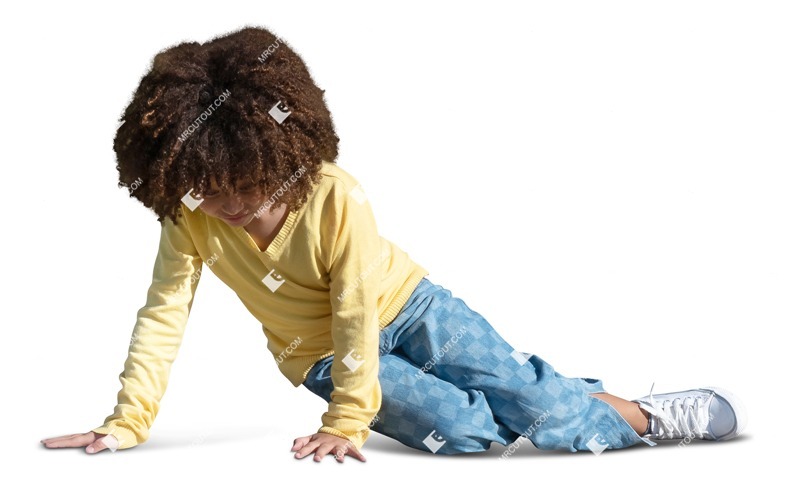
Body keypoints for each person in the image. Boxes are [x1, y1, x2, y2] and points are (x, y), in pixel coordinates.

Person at [40, 26, 746, 462]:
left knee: (548, 416)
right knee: (471, 437)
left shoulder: (333, 195)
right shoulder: (190, 215)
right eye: (205, 188)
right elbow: (162, 316)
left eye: (240, 187)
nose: (224, 207)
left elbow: (355, 307)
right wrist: (127, 421)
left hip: (409, 309)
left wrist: (350, 417)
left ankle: (636, 413)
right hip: (314, 353)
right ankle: (538, 394)